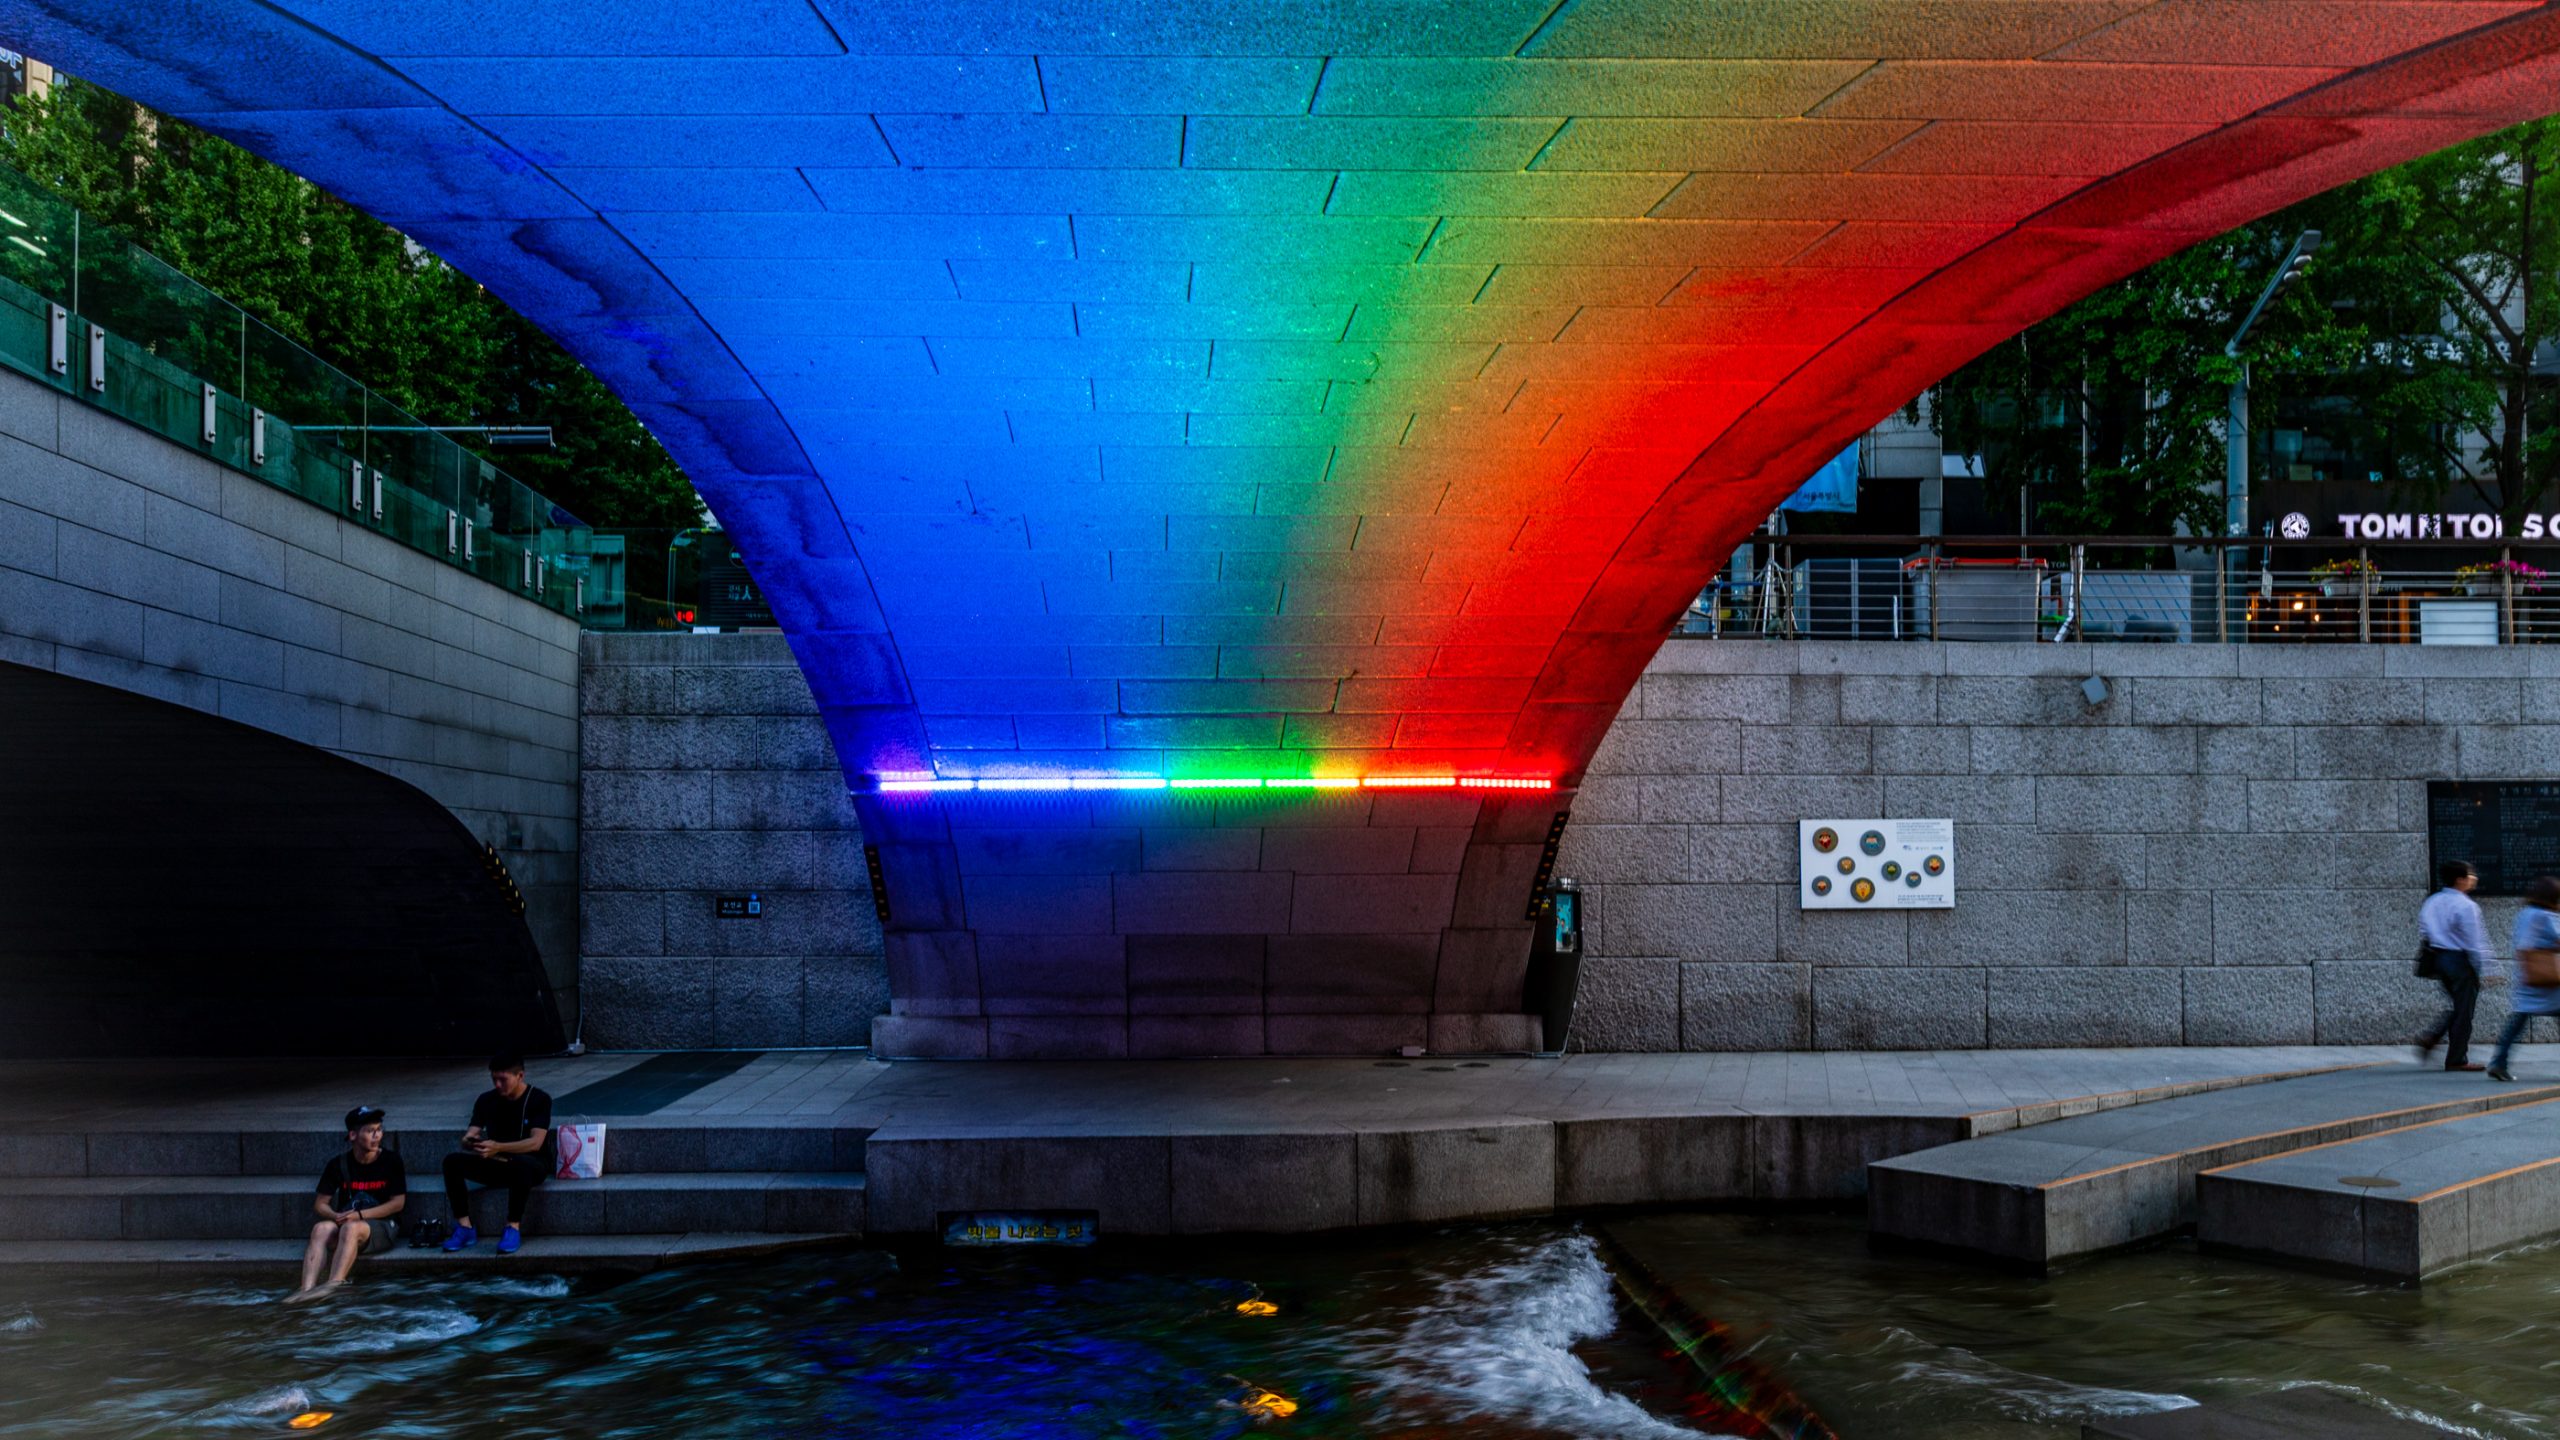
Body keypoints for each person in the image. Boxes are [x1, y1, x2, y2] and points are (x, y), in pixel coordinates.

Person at [289, 1104, 406, 1302]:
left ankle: (335, 1283)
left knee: (351, 1228)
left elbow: (397, 1204)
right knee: (321, 1228)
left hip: (383, 1227)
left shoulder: (391, 1160)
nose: (377, 1135)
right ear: (353, 1135)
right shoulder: (338, 1163)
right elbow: (320, 1204)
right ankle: (306, 1289)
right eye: (370, 1131)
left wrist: (359, 1216)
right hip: (347, 1225)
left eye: (379, 1130)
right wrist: (335, 1216)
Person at [441, 1054, 553, 1255]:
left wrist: (499, 1146)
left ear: (520, 1075)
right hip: (496, 1162)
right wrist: (471, 1142)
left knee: (522, 1164)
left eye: (503, 1079)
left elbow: (535, 1143)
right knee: (452, 1162)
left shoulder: (539, 1099)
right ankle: (464, 1227)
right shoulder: (486, 1100)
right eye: (494, 1079)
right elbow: (470, 1134)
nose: (498, 1085)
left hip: (531, 1165)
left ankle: (513, 1226)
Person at [2419, 860, 2502, 1072]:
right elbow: (2475, 942)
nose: (2474, 878)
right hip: (2459, 961)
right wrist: (2489, 968)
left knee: (2459, 1006)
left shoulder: (2433, 901)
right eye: (2470, 874)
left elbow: (2424, 930)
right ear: (2460, 880)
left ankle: (2433, 1037)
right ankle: (2456, 1059)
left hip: (2438, 959)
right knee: (2464, 1011)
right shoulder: (2467, 906)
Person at [2489, 875, 2560, 1081]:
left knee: (2517, 1021)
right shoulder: (2543, 916)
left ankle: (2498, 1063)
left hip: (2530, 979)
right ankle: (2498, 1063)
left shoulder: (2526, 914)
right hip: (2546, 980)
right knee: (2518, 1022)